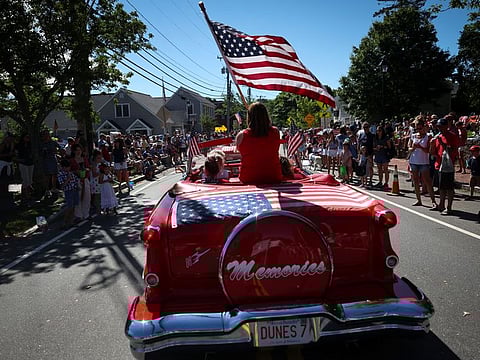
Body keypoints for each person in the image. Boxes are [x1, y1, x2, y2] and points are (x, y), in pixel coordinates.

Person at [236, 102, 282, 184]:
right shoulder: (276, 132)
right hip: (274, 176)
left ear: (249, 117)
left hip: (248, 178)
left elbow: (240, 152)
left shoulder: (242, 135)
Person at [430, 117, 460, 215]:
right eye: (438, 126)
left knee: (449, 188)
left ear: (446, 126)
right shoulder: (438, 136)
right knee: (441, 187)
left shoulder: (452, 136)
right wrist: (432, 145)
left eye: (441, 126)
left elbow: (453, 151)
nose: (439, 128)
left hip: (448, 166)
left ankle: (449, 207)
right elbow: (433, 153)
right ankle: (441, 204)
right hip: (439, 165)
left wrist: (443, 144)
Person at [408, 118, 436, 208]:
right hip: (414, 161)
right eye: (417, 129)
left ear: (424, 127)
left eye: (420, 128)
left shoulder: (429, 136)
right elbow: (408, 148)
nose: (419, 131)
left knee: (427, 181)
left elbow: (429, 151)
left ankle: (433, 201)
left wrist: (420, 147)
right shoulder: (413, 136)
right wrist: (413, 148)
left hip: (424, 161)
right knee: (416, 181)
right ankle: (418, 200)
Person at [70, 144, 91, 220]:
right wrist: (76, 172)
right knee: (78, 198)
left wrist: (86, 170)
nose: (78, 152)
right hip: (76, 180)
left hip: (85, 179)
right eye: (76, 150)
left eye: (79, 150)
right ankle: (78, 215)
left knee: (87, 197)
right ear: (74, 151)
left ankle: (86, 213)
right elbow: (70, 170)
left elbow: (88, 167)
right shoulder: (72, 160)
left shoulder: (84, 159)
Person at [57, 158, 79, 228]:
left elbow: (75, 180)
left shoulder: (71, 173)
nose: (68, 169)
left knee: (73, 207)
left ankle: (71, 221)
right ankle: (64, 222)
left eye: (69, 167)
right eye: (66, 167)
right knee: (69, 207)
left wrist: (77, 186)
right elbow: (62, 186)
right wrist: (67, 179)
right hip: (68, 191)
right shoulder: (60, 174)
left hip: (74, 190)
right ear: (63, 167)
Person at [40, 130, 60, 197]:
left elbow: (59, 147)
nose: (46, 136)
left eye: (47, 134)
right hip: (46, 160)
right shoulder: (42, 143)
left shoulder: (52, 142)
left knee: (54, 174)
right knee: (47, 175)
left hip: (53, 159)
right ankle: (47, 190)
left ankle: (54, 188)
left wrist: (57, 151)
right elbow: (40, 153)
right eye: (45, 134)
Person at [16, 133, 34, 201]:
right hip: (23, 163)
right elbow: (16, 154)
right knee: (25, 180)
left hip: (30, 163)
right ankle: (26, 195)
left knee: (29, 180)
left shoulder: (30, 145)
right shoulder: (19, 145)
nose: (28, 138)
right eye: (26, 137)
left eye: (28, 137)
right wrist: (19, 160)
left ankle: (25, 195)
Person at [373, 125, 392, 190]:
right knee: (379, 169)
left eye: (380, 130)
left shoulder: (386, 138)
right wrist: (376, 148)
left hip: (384, 155)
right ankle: (380, 181)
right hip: (378, 154)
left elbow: (389, 147)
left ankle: (386, 183)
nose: (378, 132)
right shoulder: (375, 138)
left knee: (385, 169)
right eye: (377, 131)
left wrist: (382, 146)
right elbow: (373, 147)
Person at [357, 122, 375, 187]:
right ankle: (362, 182)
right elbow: (359, 144)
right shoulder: (361, 134)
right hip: (362, 154)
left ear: (369, 127)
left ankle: (370, 180)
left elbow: (373, 145)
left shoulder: (371, 135)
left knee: (369, 168)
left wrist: (371, 154)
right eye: (364, 127)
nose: (365, 128)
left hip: (369, 154)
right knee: (362, 167)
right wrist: (358, 154)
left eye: (366, 127)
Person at [90, 149, 103, 216]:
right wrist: (100, 172)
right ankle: (98, 209)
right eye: (98, 158)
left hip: (99, 182)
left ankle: (100, 207)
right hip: (95, 182)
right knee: (97, 196)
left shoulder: (100, 164)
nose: (100, 159)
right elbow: (94, 174)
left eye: (100, 158)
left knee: (100, 195)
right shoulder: (94, 164)